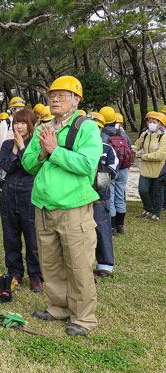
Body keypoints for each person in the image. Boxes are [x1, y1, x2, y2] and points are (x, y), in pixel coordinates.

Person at [22, 76, 103, 337]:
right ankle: (59, 306)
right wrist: (43, 152)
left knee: (78, 265)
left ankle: (84, 318)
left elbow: (86, 166)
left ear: (76, 100)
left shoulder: (86, 128)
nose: (55, 99)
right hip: (43, 208)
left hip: (73, 208)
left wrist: (55, 151)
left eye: (62, 95)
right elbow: (28, 164)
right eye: (52, 95)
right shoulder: (43, 128)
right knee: (51, 263)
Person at [0, 108, 43, 292]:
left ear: (31, 125)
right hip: (9, 191)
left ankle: (36, 275)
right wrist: (15, 147)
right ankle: (14, 271)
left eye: (23, 122)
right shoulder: (7, 145)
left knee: (32, 236)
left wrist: (23, 148)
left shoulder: (36, 144)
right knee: (10, 234)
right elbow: (6, 166)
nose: (19, 126)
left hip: (29, 191)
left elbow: (31, 168)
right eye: (16, 122)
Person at [88, 112, 119, 278]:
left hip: (100, 197)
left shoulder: (107, 149)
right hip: (79, 197)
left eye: (96, 127)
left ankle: (105, 265)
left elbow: (112, 171)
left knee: (102, 229)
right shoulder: (80, 148)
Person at [99, 106, 132, 235]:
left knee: (110, 198)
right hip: (123, 169)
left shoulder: (102, 134)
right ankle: (120, 227)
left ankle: (112, 229)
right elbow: (129, 147)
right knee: (120, 197)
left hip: (111, 169)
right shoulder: (122, 133)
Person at [133, 112, 166, 221]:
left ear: (160, 124)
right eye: (149, 121)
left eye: (154, 122)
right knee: (143, 190)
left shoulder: (163, 137)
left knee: (157, 192)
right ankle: (148, 208)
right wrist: (134, 151)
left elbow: (160, 155)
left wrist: (143, 156)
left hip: (158, 170)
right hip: (145, 169)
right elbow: (137, 146)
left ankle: (156, 213)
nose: (151, 124)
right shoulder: (145, 134)